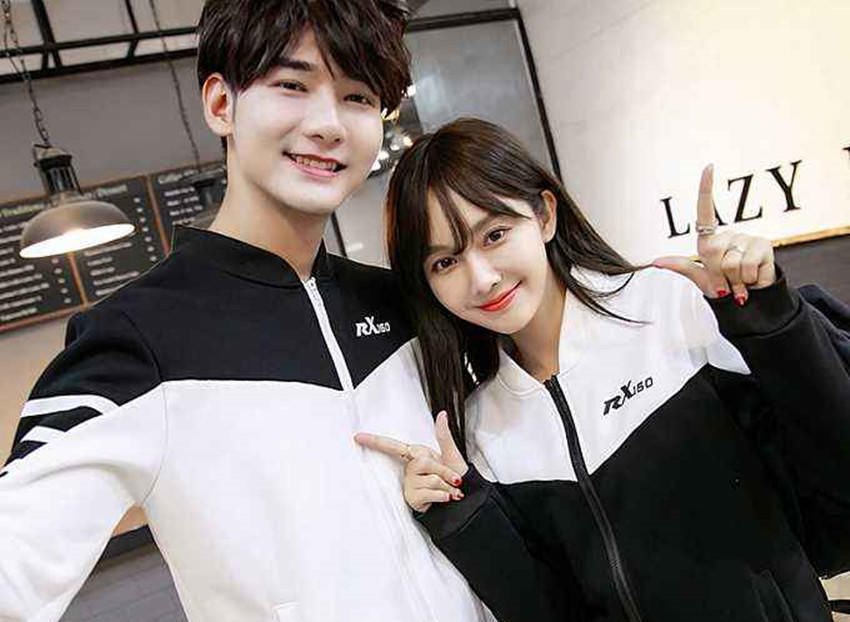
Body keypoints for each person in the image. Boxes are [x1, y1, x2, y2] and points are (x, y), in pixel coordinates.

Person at [0, 3, 492, 621]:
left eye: (358, 97)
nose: (328, 124)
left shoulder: (400, 302)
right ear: (220, 104)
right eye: (292, 85)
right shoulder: (136, 342)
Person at [356, 118, 850, 622]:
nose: (481, 279)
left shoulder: (671, 308)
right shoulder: (483, 427)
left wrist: (771, 320)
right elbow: (550, 612)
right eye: (445, 263)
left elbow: (838, 476)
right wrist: (461, 514)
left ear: (544, 215)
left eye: (495, 235)